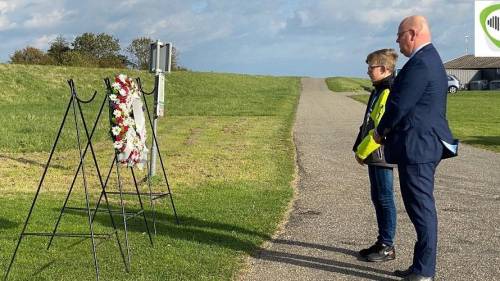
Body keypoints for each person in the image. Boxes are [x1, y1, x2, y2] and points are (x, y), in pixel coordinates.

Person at [373, 15, 458, 281]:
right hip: (421, 145)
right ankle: (420, 267)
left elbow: (400, 106)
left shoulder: (421, 63)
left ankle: (424, 271)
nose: (397, 41)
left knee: (421, 208)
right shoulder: (428, 59)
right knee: (419, 207)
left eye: (399, 35)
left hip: (419, 146)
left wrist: (380, 131)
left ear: (412, 33)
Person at [353, 48, 398, 262]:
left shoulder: (388, 90)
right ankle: (382, 242)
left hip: (381, 152)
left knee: (385, 198)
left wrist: (362, 151)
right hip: (373, 151)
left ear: (384, 68)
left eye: (371, 67)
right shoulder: (378, 89)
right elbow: (368, 121)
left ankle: (387, 245)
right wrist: (357, 146)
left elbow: (380, 126)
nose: (368, 71)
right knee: (378, 197)